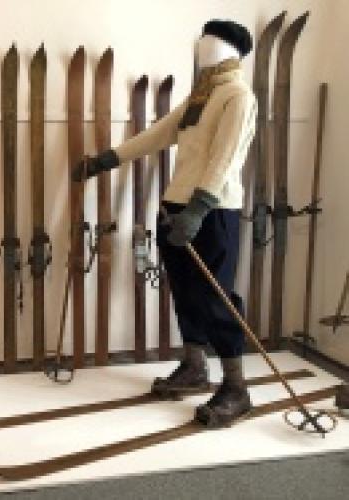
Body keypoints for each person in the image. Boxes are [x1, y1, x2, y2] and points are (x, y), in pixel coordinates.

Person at [72, 20, 257, 427]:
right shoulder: (201, 95)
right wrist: (105, 161)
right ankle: (194, 367)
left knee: (216, 296)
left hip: (210, 210)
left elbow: (224, 158)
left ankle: (236, 388)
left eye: (214, 42)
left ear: (233, 51)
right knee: (185, 290)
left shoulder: (238, 96)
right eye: (203, 40)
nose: (204, 47)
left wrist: (198, 209)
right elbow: (158, 134)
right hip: (175, 207)